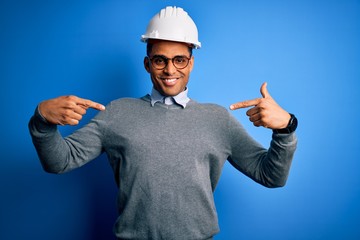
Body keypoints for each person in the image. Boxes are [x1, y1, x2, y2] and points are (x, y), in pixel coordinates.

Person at [29, 6, 298, 240]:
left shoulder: (217, 119)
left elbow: (271, 176)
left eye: (179, 60)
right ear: (147, 64)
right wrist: (42, 120)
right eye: (160, 60)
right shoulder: (117, 113)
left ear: (191, 63)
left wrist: (285, 130)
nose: (170, 70)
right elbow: (59, 162)